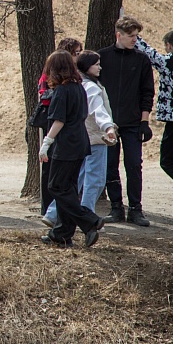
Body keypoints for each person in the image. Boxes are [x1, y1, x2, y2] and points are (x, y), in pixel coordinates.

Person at [43, 51, 117, 226]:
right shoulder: (85, 87)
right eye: (96, 64)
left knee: (68, 183)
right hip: (91, 140)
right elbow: (98, 111)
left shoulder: (76, 86)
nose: (100, 67)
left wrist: (47, 142)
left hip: (76, 142)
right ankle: (84, 220)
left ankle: (60, 218)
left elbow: (62, 119)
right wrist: (108, 127)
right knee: (89, 181)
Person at [98, 16, 155, 227]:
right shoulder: (102, 57)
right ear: (118, 35)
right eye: (131, 36)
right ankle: (116, 207)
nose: (134, 40)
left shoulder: (142, 59)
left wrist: (144, 121)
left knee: (134, 165)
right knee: (110, 165)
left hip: (132, 122)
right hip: (108, 123)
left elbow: (147, 92)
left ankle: (135, 209)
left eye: (136, 36)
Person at [135, 30, 173, 219]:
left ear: (169, 45)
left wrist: (133, 34)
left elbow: (147, 52)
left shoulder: (168, 62)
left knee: (167, 161)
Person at [37, 38, 83, 215]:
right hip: (66, 134)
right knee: (59, 181)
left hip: (65, 138)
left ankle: (86, 218)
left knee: (57, 184)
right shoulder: (74, 86)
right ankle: (60, 221)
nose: (77, 57)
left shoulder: (67, 89)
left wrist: (46, 143)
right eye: (75, 53)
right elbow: (44, 98)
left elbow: (60, 120)